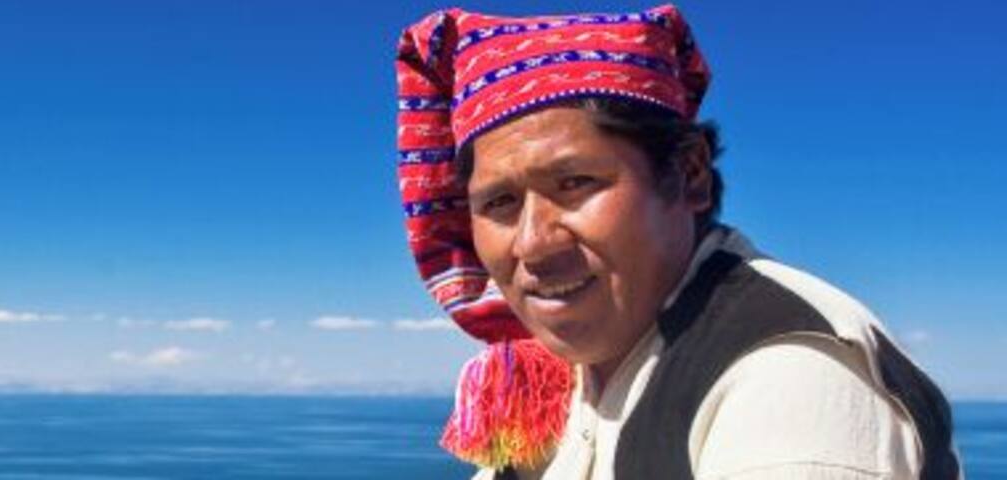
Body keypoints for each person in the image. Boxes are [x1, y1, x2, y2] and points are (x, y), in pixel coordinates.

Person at [393, 5, 961, 479]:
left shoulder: (786, 375)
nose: (534, 244)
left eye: (575, 184)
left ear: (689, 174)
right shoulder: (573, 382)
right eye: (499, 204)